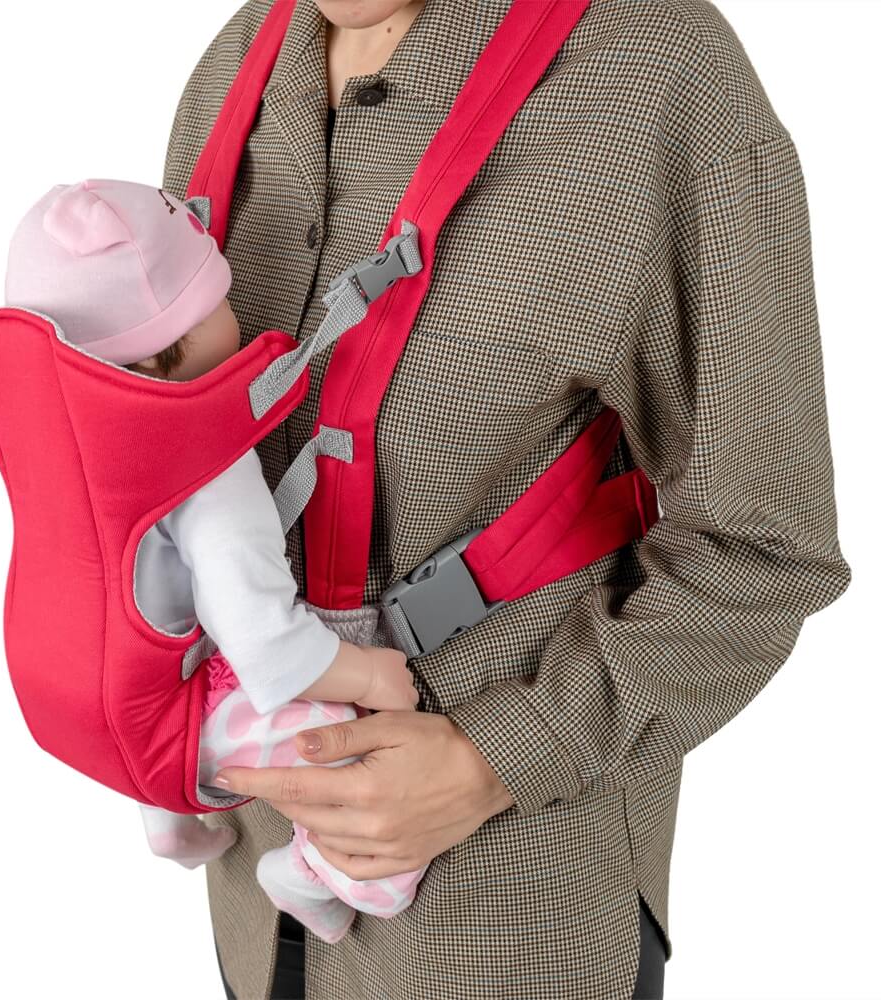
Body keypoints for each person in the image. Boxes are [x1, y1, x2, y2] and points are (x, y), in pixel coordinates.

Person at [161, 1, 853, 998]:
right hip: (250, 891)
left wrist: (496, 758)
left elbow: (764, 547)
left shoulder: (656, 72)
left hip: (504, 913)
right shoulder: (239, 61)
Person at [2, 177, 426, 942]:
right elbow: (264, 642)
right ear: (171, 346)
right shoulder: (204, 464)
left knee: (149, 645)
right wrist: (368, 676)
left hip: (60, 698)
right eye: (219, 297)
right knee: (368, 775)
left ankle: (168, 825)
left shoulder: (61, 437)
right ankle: (308, 874)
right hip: (171, 725)